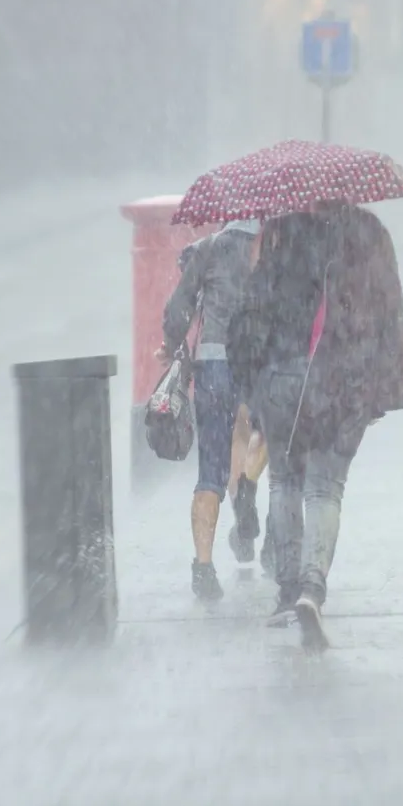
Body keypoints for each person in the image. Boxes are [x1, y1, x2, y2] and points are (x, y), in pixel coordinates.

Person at [229, 201, 403, 650]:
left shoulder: (283, 236)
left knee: (284, 482)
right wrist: (384, 385)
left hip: (282, 376)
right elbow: (389, 311)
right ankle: (313, 589)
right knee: (326, 488)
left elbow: (251, 315)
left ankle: (287, 591)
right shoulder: (367, 236)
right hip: (343, 378)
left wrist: (252, 384)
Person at [161, 219, 262, 601]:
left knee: (209, 470)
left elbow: (177, 308)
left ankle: (203, 567)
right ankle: (248, 487)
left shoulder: (209, 248)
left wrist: (171, 343)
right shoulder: (273, 246)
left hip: (213, 364)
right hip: (256, 362)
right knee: (255, 433)